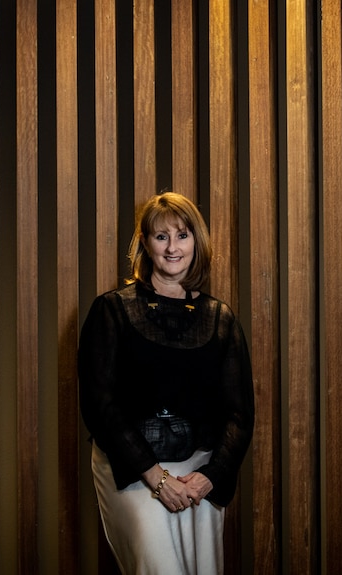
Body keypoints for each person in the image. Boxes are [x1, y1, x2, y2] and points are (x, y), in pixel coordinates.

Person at [78, 192, 255, 574]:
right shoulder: (111, 310)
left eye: (183, 235)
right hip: (133, 468)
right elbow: (99, 405)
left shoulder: (221, 318)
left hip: (201, 472)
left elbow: (241, 414)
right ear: (145, 242)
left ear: (197, 242)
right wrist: (156, 477)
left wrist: (211, 477)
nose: (173, 247)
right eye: (161, 237)